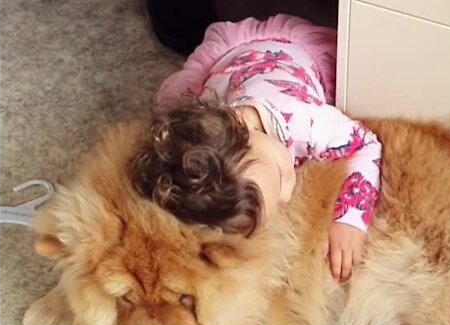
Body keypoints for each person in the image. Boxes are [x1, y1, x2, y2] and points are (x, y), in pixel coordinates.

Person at [132, 14, 381, 283]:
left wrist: (351, 218)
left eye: (280, 172)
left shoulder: (304, 121)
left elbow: (367, 144)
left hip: (285, 50)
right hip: (233, 68)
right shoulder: (212, 128)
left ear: (241, 124)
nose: (287, 195)